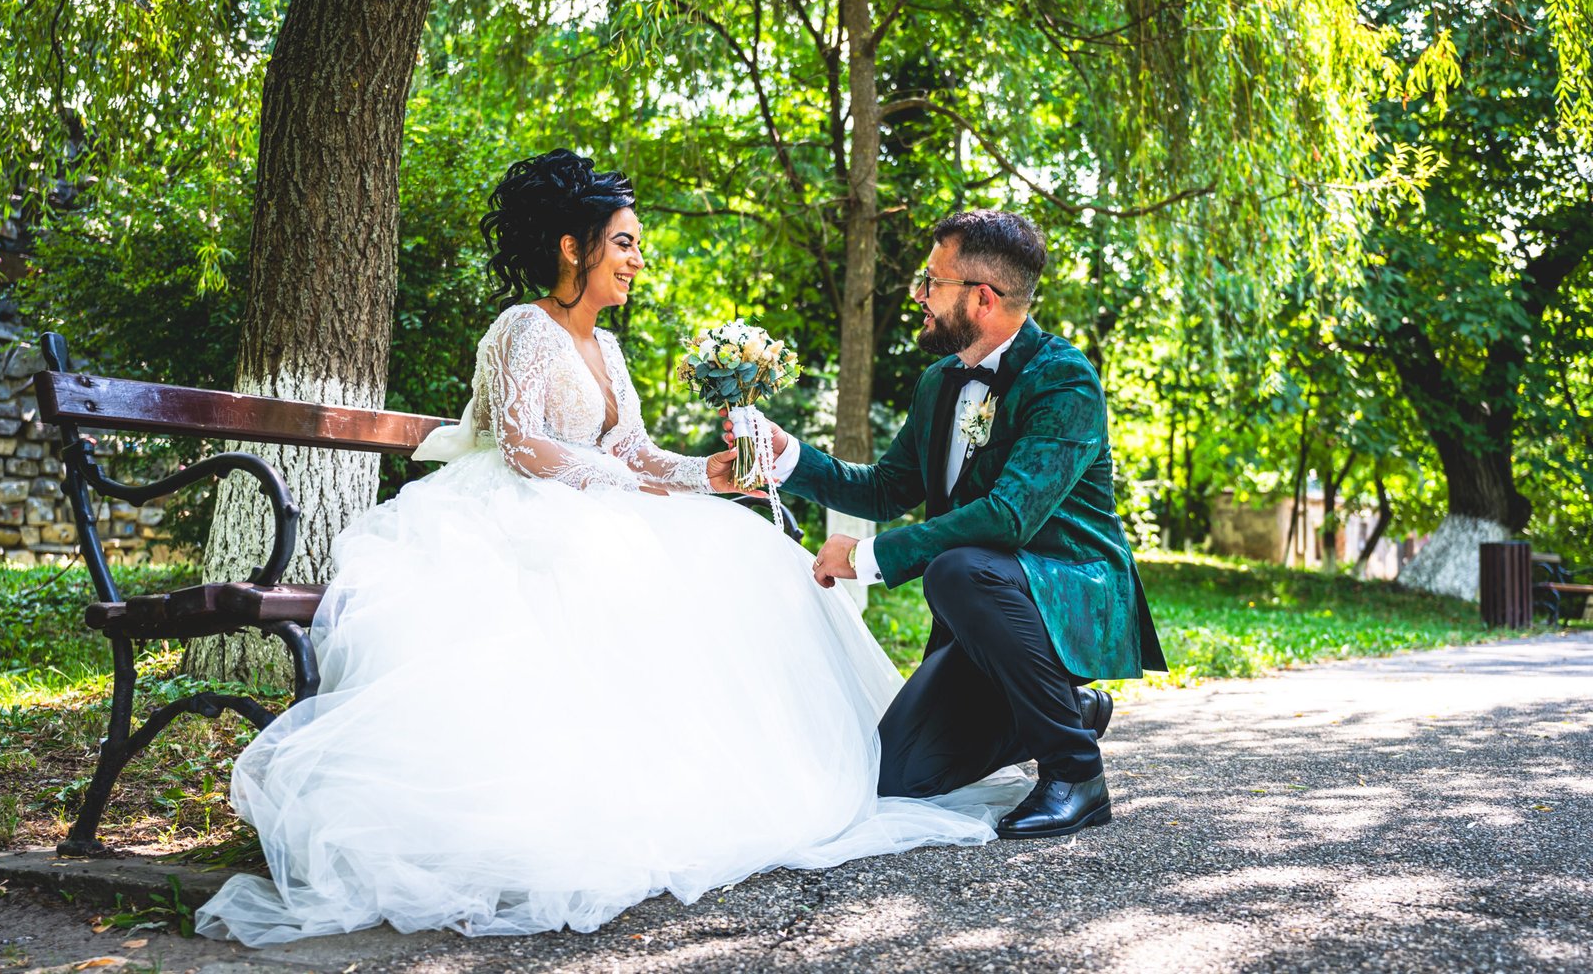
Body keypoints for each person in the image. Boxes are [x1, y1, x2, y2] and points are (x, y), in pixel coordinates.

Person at [194, 151, 1027, 947]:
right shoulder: (525, 327)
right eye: (624, 243)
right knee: (619, 578)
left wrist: (707, 475)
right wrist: (631, 484)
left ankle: (712, 783)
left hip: (595, 503)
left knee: (745, 556)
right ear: (574, 247)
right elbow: (522, 444)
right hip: (513, 512)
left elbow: (634, 450)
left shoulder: (610, 346)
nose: (636, 260)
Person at [733, 209, 1166, 840]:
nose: (919, 294)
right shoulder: (939, 382)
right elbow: (887, 488)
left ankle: (1075, 772)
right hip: (985, 616)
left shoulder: (1064, 379)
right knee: (891, 776)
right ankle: (1066, 708)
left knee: (956, 570)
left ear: (982, 298)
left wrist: (868, 558)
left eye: (932, 282)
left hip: (1067, 590)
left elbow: (1009, 517)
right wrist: (789, 457)